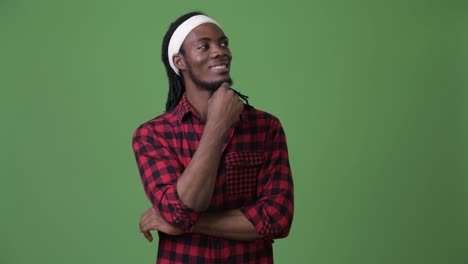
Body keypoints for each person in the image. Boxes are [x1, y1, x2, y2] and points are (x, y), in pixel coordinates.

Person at [132, 11, 294, 263]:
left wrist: (188, 224)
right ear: (180, 61)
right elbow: (179, 210)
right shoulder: (153, 135)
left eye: (223, 43)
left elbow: (277, 219)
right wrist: (217, 127)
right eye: (203, 46)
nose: (220, 51)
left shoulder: (265, 127)